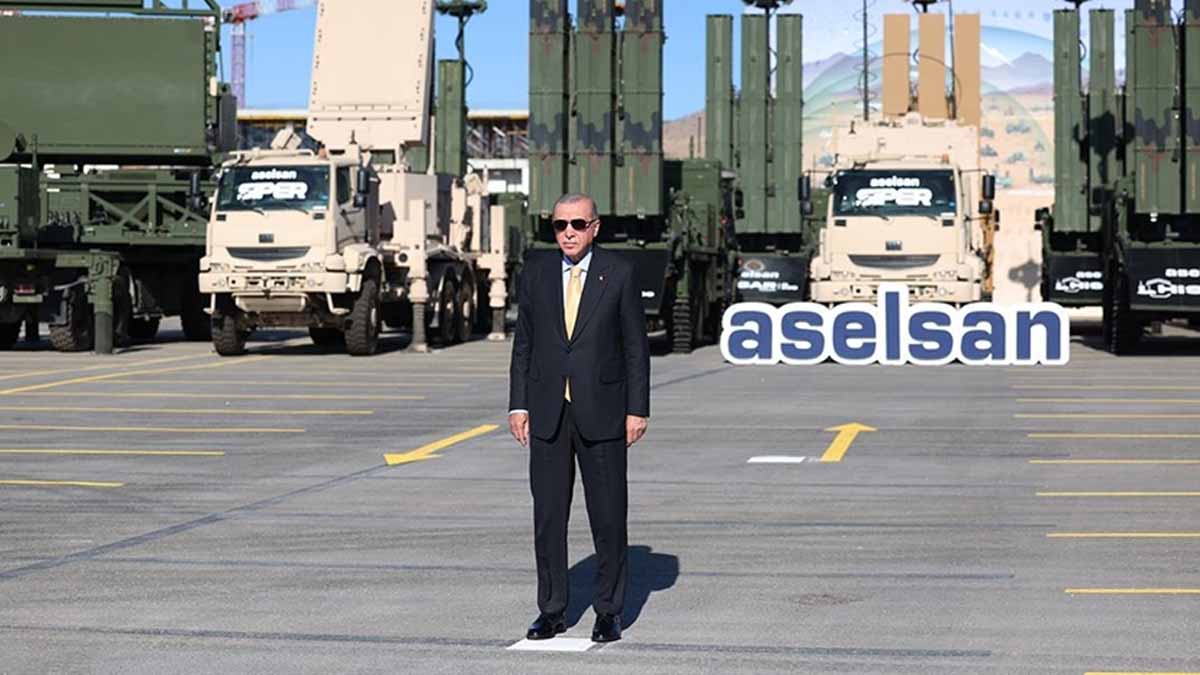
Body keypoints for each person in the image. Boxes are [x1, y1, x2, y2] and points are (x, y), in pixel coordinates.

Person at [508, 193, 650, 643]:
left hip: (604, 410)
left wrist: (637, 409)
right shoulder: (537, 272)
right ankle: (551, 610)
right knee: (549, 518)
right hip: (548, 411)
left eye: (577, 224)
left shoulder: (619, 272)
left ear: (595, 227)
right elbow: (524, 343)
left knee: (608, 516)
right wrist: (518, 404)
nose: (568, 233)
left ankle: (608, 610)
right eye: (559, 225)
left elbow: (635, 347)